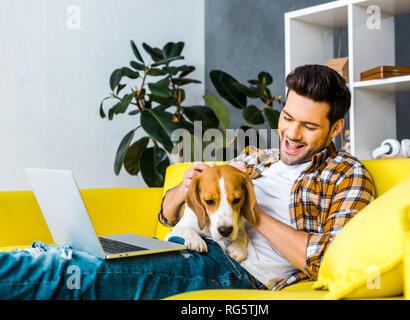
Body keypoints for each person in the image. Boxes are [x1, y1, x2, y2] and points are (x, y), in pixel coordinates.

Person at [0, 64, 374, 299]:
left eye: (308, 126)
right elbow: (166, 217)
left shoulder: (346, 175)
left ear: (336, 128)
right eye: (288, 117)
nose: (290, 134)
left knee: (70, 272)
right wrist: (183, 191)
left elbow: (329, 260)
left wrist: (247, 212)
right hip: (186, 244)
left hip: (231, 270)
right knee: (52, 253)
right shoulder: (256, 158)